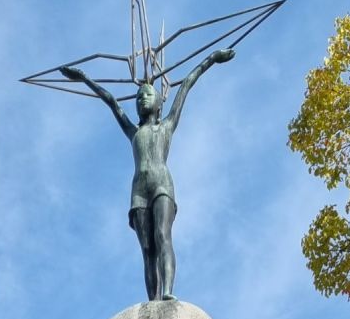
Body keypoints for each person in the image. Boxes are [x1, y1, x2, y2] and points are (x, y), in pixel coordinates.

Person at [59, 49, 235, 301]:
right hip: (139, 191)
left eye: (148, 94)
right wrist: (85, 79)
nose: (142, 99)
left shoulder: (167, 126)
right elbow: (110, 101)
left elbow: (186, 84)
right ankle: (153, 300)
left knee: (162, 236)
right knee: (147, 249)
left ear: (160, 101)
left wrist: (212, 60)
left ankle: (167, 292)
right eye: (139, 96)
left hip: (162, 184)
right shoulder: (133, 131)